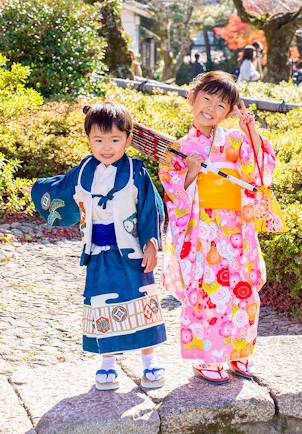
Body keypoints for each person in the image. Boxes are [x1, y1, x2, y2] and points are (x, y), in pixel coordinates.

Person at [31, 101, 167, 391]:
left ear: (128, 139)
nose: (107, 147)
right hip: (99, 253)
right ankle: (107, 364)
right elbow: (60, 194)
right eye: (99, 140)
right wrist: (40, 191)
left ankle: (149, 361)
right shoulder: (82, 173)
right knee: (103, 307)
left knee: (142, 304)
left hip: (132, 252)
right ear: (89, 139)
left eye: (115, 140)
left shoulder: (136, 171)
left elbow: (149, 209)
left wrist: (152, 244)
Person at [159, 71, 277, 384]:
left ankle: (240, 352)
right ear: (192, 98)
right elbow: (175, 194)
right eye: (207, 98)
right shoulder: (179, 148)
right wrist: (192, 171)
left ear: (228, 113)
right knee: (207, 290)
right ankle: (206, 358)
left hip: (236, 226)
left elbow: (260, 174)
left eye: (222, 104)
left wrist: (250, 131)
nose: (212, 107)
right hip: (203, 228)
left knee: (242, 289)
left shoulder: (236, 141)